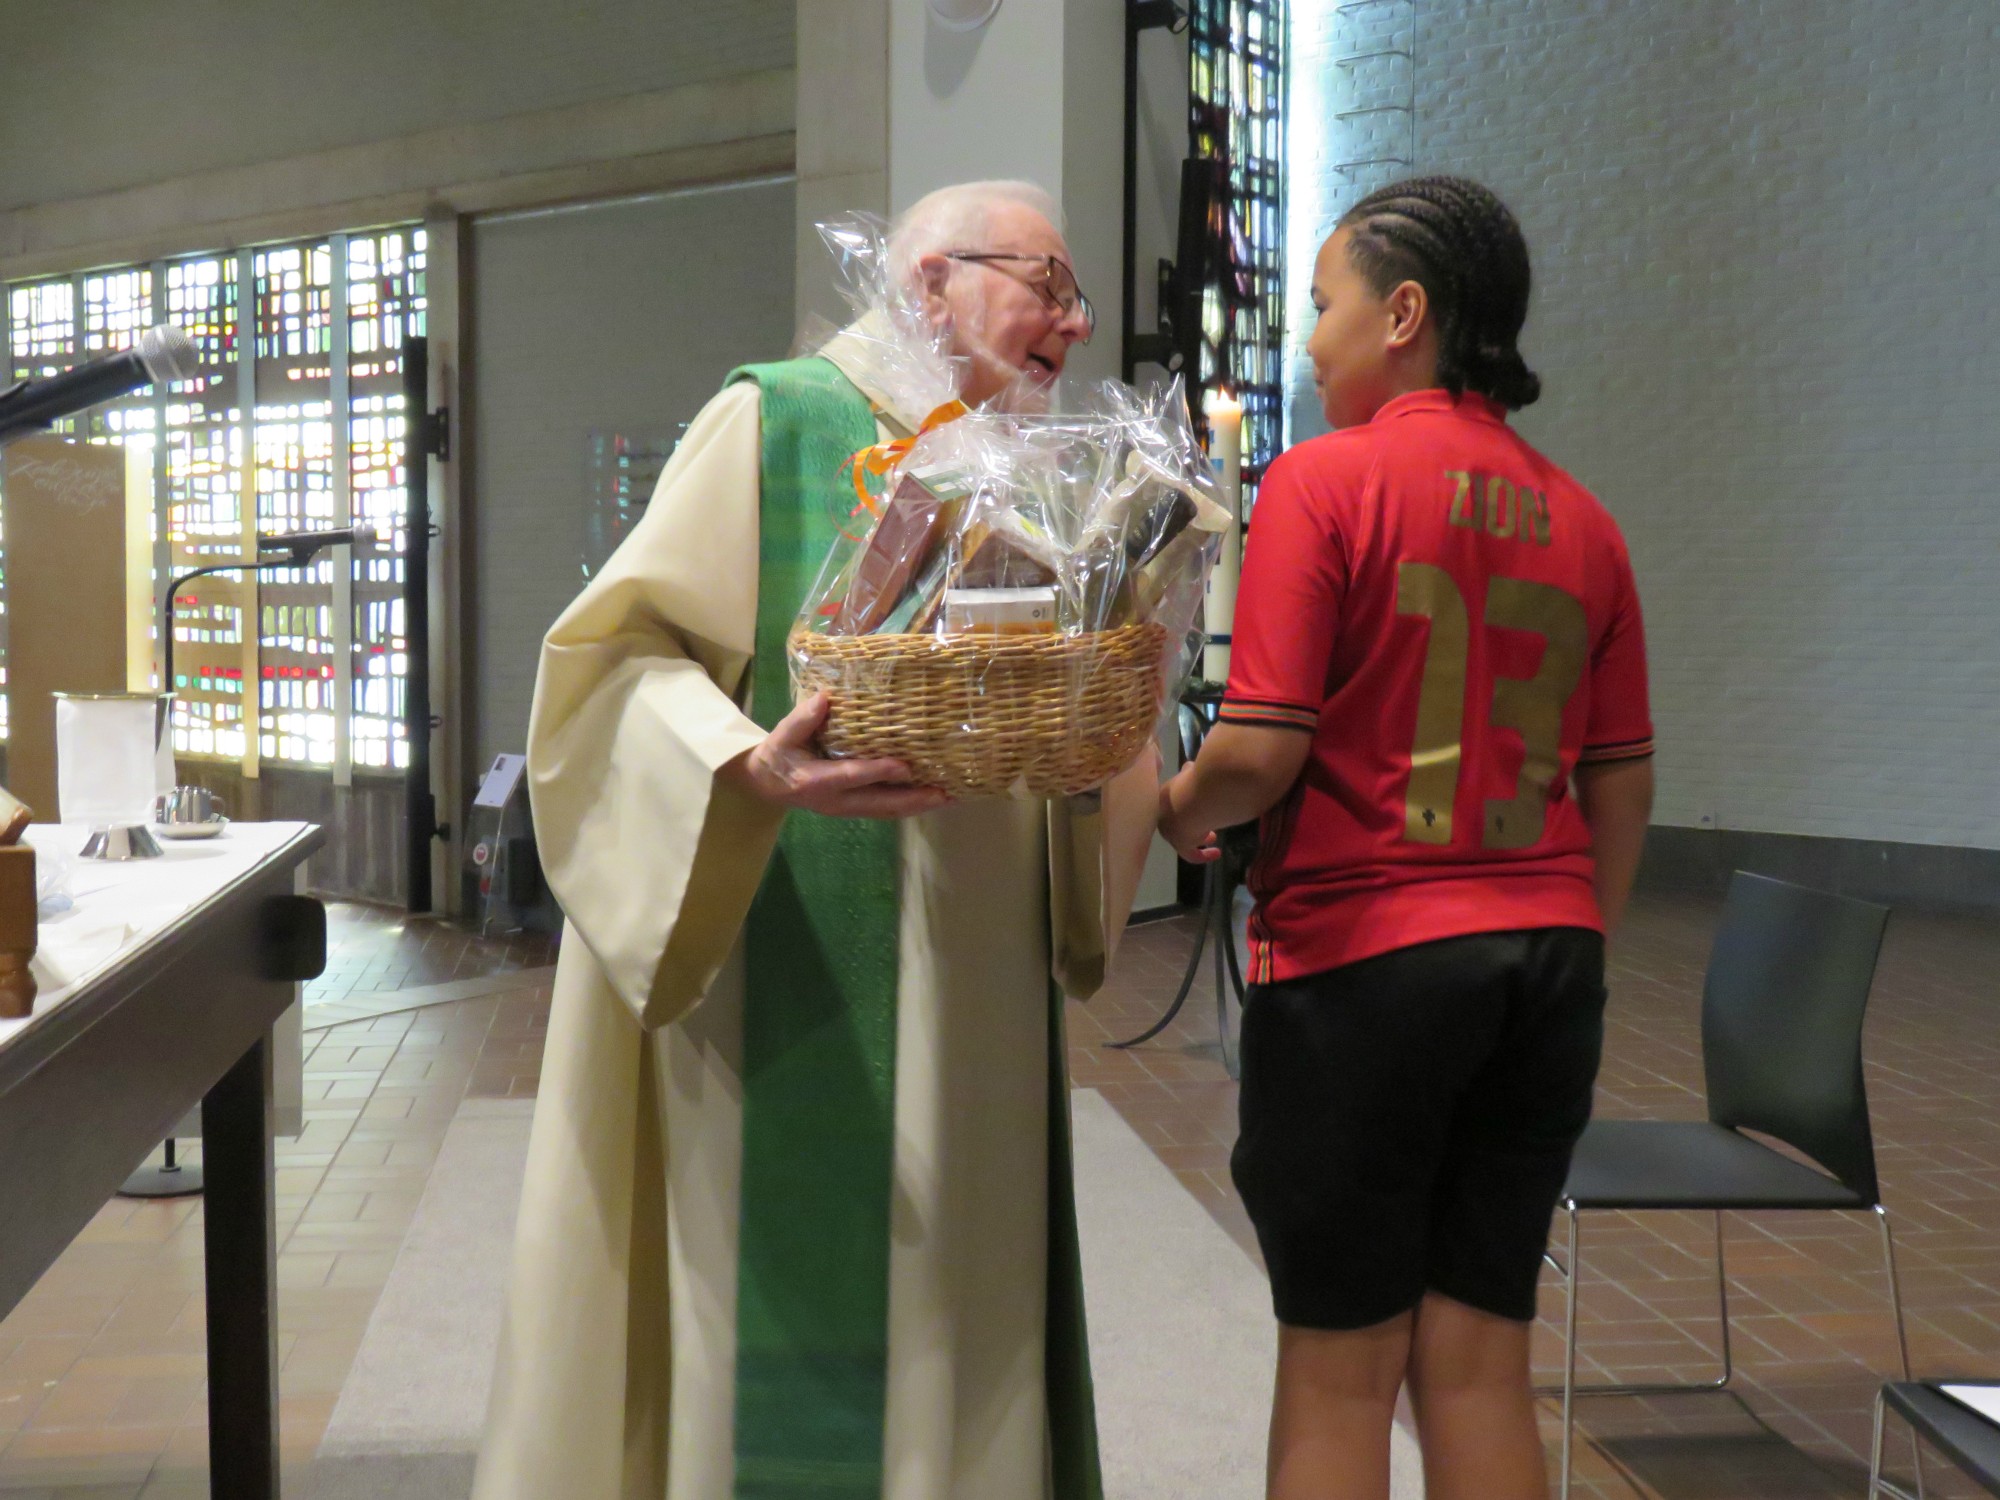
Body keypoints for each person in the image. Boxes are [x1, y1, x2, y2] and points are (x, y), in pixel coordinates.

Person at [472, 180, 1157, 1500]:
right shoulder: (779, 419)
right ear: (930, 282)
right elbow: (611, 664)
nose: (1072, 326)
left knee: (967, 1285)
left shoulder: (1040, 476)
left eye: (1079, 298)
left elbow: (1086, 749)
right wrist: (743, 761)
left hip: (977, 998)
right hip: (787, 973)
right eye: (1046, 286)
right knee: (783, 1319)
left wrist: (1111, 731)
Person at [1157, 176, 1654, 1500]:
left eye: (1325, 305)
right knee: (1478, 1365)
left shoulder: (1324, 485)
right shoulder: (1588, 522)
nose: (1310, 337)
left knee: (1341, 1369)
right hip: (1548, 970)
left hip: (1368, 966)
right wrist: (1568, 931)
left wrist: (1171, 812)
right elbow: (1619, 793)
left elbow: (1261, 754)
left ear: (1406, 315)